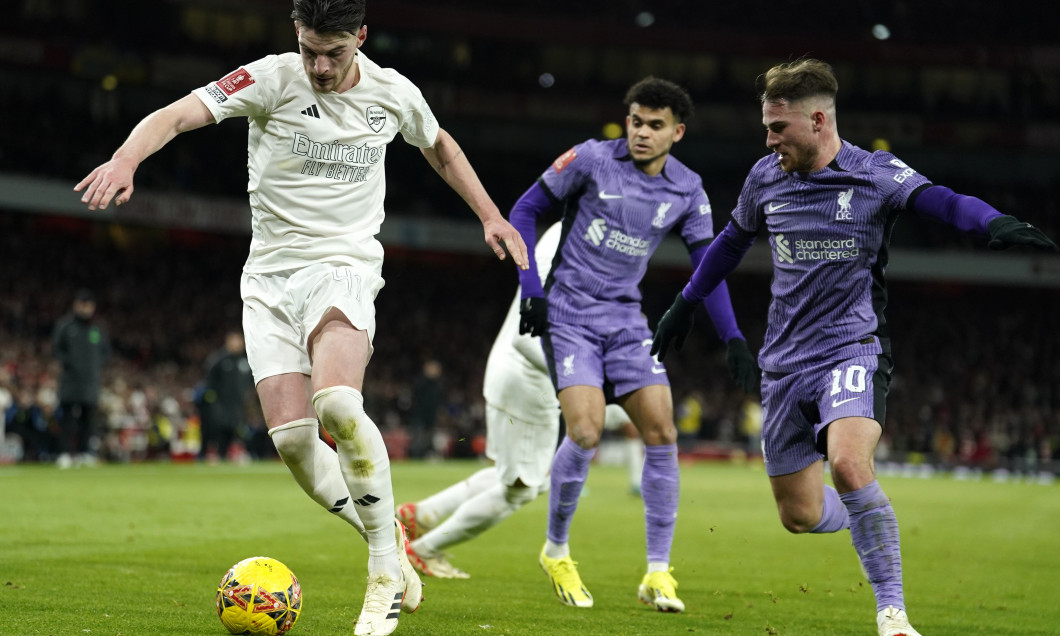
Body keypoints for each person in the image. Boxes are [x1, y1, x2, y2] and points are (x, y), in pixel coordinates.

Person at [74, 1, 528, 634]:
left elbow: (440, 145)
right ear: (297, 34)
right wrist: (127, 158)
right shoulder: (269, 78)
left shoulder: (394, 92)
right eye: (310, 48)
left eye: (334, 52)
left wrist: (489, 214)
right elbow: (176, 114)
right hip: (269, 279)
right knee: (292, 442)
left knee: (338, 404)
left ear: (361, 38)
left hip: (343, 266)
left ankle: (382, 572)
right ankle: (390, 537)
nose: (319, 64)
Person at [650, 58, 1057, 636]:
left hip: (853, 347)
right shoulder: (765, 177)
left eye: (778, 128)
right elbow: (730, 242)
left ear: (818, 120)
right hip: (783, 363)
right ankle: (865, 514)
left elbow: (940, 200)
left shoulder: (874, 174)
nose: (768, 140)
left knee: (846, 460)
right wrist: (685, 303)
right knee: (800, 515)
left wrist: (993, 222)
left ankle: (892, 613)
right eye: (766, 127)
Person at [508, 77, 759, 613]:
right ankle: (556, 551)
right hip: (570, 313)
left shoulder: (687, 189)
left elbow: (707, 266)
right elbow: (523, 211)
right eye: (636, 121)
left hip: (626, 320)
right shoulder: (591, 160)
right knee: (586, 429)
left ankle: (658, 573)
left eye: (655, 125)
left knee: (663, 430)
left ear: (678, 132)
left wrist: (733, 338)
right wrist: (532, 291)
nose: (642, 133)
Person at [395, 223, 643, 580]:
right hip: (525, 382)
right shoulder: (575, 248)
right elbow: (527, 340)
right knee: (521, 490)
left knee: (519, 478)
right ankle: (421, 552)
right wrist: (587, 376)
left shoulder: (569, 233)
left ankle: (418, 516)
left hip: (522, 380)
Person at [51, 288, 110, 469]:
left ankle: (85, 454)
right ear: (76, 305)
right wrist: (71, 365)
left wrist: (94, 367)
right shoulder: (66, 326)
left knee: (88, 420)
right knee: (68, 419)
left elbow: (106, 352)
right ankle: (64, 454)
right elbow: (56, 349)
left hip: (90, 383)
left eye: (89, 305)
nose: (86, 309)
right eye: (83, 304)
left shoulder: (96, 329)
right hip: (70, 382)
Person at [197, 331, 255, 463]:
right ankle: (215, 453)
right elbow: (209, 380)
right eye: (234, 341)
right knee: (219, 429)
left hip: (238, 404)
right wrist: (212, 400)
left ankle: (233, 453)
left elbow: (251, 381)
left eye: (239, 341)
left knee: (236, 429)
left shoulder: (246, 360)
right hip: (220, 404)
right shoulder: (218, 360)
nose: (237, 344)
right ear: (228, 342)